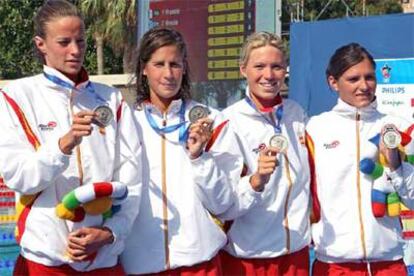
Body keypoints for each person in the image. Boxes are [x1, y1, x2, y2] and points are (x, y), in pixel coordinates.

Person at [0, 0, 142, 274]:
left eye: (81, 40)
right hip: (46, 261)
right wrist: (62, 147)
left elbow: (132, 179)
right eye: (64, 42)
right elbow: (19, 177)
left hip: (103, 258)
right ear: (40, 44)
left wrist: (112, 232)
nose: (75, 50)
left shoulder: (110, 98)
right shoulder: (16, 96)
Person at [120, 27, 244, 275]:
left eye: (175, 64)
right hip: (141, 264)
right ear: (144, 68)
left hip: (199, 263)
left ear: (185, 67)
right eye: (159, 64)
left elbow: (223, 204)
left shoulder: (213, 122)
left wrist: (200, 158)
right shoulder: (125, 124)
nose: (168, 74)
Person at [306, 42, 414, 275]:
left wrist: (394, 165)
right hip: (334, 264)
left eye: (369, 77)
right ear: (333, 82)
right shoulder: (315, 129)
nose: (364, 86)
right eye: (353, 79)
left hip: (389, 263)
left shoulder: (399, 128)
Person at [219, 31, 311, 275]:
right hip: (250, 258)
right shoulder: (229, 122)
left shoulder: (296, 114)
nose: (269, 75)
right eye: (259, 66)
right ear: (243, 70)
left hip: (296, 253)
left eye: (277, 67)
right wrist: (256, 181)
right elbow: (223, 203)